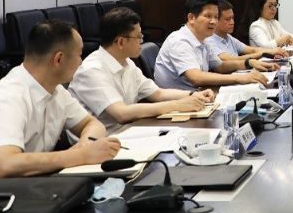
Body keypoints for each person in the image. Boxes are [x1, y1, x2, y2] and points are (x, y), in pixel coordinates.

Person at [0, 20, 120, 177]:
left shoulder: (56, 90)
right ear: (58, 59)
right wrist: (80, 156)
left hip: (38, 184)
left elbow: (92, 123)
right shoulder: (9, 95)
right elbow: (5, 164)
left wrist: (86, 144)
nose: (81, 62)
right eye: (79, 55)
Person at [69, 7, 217, 127]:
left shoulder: (127, 62)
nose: (141, 41)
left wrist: (192, 95)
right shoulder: (92, 70)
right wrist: (178, 105)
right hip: (104, 141)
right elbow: (122, 113)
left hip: (129, 131)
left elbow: (157, 94)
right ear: (121, 42)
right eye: (138, 37)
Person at [154, 0, 271, 90]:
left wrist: (249, 63)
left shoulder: (203, 39)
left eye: (216, 17)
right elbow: (196, 78)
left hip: (198, 94)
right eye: (208, 16)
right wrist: (240, 78)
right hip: (177, 103)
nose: (213, 21)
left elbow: (220, 66)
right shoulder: (179, 41)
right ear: (191, 18)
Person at [208, 0, 288, 63]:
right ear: (216, 20)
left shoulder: (228, 37)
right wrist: (263, 54)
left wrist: (272, 51)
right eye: (228, 19)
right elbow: (230, 59)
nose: (232, 22)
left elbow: (251, 50)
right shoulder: (209, 40)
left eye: (232, 18)